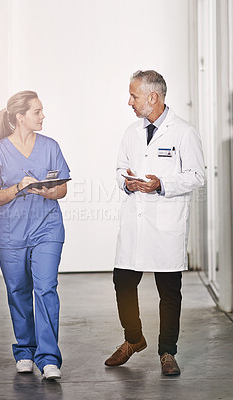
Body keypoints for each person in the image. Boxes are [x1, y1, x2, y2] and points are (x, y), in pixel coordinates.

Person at [105, 70, 205, 375]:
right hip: (136, 222)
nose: (129, 101)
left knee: (169, 291)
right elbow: (121, 167)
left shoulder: (184, 133)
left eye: (134, 95)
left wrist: (161, 184)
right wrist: (128, 182)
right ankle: (133, 339)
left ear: (153, 97)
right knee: (123, 282)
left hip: (166, 225)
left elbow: (197, 175)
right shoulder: (131, 132)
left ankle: (167, 352)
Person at [0, 90, 70, 380]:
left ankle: (49, 358)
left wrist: (47, 190)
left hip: (47, 228)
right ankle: (26, 352)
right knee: (18, 293)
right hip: (11, 235)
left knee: (45, 289)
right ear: (20, 117)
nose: (43, 116)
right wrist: (19, 187)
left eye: (42, 112)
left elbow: (62, 189)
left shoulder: (50, 146)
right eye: (37, 112)